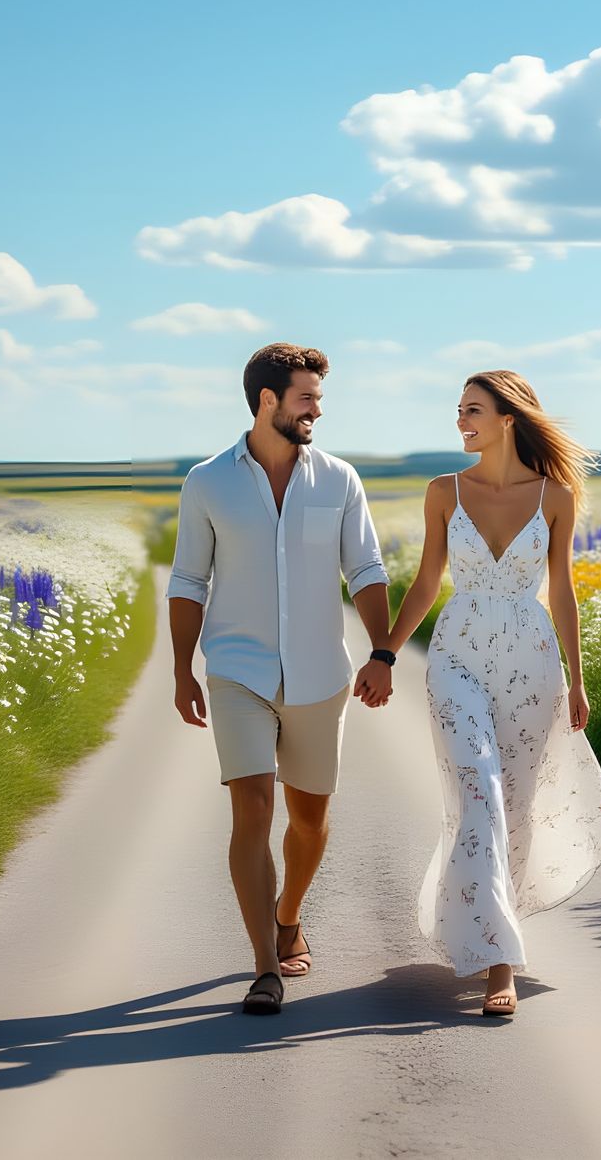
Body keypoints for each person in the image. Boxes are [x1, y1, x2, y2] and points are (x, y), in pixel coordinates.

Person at [168, 343, 395, 1016]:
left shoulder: (338, 480)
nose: (317, 410)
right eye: (307, 398)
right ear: (267, 401)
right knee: (253, 810)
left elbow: (368, 571)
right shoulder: (207, 482)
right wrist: (183, 669)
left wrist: (383, 653)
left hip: (321, 674)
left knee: (309, 821)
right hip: (237, 669)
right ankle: (265, 966)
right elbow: (187, 580)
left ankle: (289, 912)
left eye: (318, 399)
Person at [387, 370, 601, 1017]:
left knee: (511, 805)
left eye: (473, 410)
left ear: (508, 418)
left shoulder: (556, 496)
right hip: (456, 654)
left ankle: (492, 929)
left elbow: (562, 590)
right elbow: (428, 584)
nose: (461, 421)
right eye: (459, 410)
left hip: (533, 661)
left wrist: (577, 675)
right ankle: (497, 966)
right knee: (479, 791)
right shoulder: (443, 492)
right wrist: (385, 653)